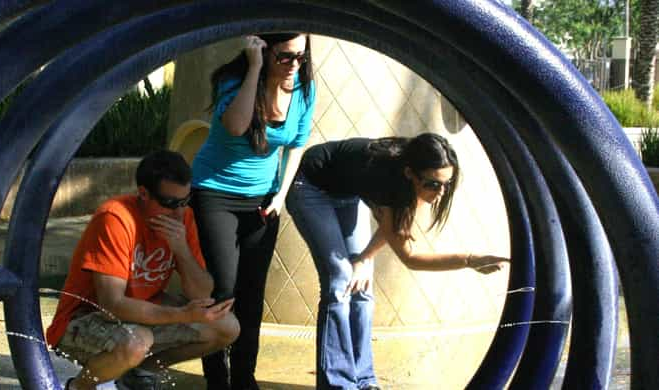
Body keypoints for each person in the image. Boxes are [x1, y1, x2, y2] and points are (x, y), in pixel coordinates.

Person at [285, 133, 508, 390]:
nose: (440, 192)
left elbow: (402, 242)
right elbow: (408, 255)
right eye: (433, 184)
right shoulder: (383, 177)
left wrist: (471, 260)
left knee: (363, 286)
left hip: (348, 193)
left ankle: (364, 379)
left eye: (447, 184)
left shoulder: (411, 183)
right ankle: (338, 384)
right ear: (410, 174)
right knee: (341, 280)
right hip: (311, 186)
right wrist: (363, 259)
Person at [45, 150, 240, 390]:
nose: (178, 212)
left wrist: (181, 249)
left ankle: (140, 373)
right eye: (169, 203)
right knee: (138, 342)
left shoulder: (183, 218)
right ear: (144, 193)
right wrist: (183, 315)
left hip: (141, 313)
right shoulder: (116, 217)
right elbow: (112, 305)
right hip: (81, 319)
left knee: (226, 327)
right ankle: (78, 387)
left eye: (184, 201)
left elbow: (202, 294)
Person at [191, 33, 316, 390]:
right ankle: (217, 377)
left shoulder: (304, 90)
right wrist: (257, 70)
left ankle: (244, 377)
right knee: (224, 290)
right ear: (264, 49)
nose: (294, 66)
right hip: (215, 193)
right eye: (285, 57)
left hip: (263, 200)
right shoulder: (234, 81)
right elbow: (236, 125)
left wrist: (281, 194)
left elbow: (298, 144)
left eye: (301, 58)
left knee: (251, 292)